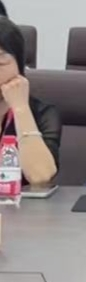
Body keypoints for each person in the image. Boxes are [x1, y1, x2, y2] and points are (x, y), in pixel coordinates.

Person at [0, 16, 60, 184]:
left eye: (0, 63)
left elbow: (40, 176)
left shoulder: (42, 113)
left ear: (19, 67)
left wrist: (20, 109)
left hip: (18, 200)